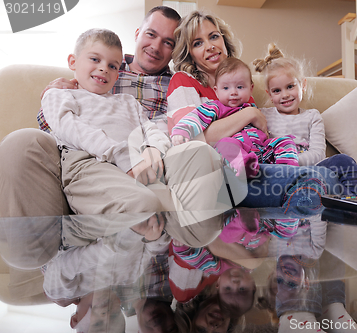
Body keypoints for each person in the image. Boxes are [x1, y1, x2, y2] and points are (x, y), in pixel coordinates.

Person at [0, 6, 232, 221]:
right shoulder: (105, 69)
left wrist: (152, 149)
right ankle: (35, 249)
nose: (156, 46)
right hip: (85, 153)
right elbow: (55, 121)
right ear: (138, 33)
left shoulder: (177, 83)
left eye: (168, 42)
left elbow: (172, 128)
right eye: (151, 34)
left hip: (145, 157)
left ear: (175, 49)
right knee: (21, 141)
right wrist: (54, 94)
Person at [167, 10, 331, 211]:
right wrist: (249, 113)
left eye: (213, 36)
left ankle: (295, 182)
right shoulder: (183, 81)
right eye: (197, 43)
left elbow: (259, 135)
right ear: (189, 53)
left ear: (224, 41)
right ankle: (295, 187)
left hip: (255, 163)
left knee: (294, 150)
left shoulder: (240, 84)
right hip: (213, 173)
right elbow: (194, 140)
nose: (209, 46)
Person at [41, 28, 173, 215]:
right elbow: (69, 128)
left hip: (135, 163)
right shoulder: (60, 94)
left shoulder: (128, 102)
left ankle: (156, 243)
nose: (104, 68)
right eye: (95, 59)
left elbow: (150, 128)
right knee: (142, 207)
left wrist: (153, 148)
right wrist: (122, 156)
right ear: (73, 62)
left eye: (112, 66)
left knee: (167, 209)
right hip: (89, 162)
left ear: (117, 74)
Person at [253, 43, 357, 201]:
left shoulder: (312, 116)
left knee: (343, 160)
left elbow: (318, 154)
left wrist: (289, 161)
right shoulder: (262, 115)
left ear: (303, 85)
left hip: (311, 170)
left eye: (290, 86)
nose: (285, 95)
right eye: (277, 91)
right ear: (269, 94)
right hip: (278, 173)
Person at [171, 57, 299, 178]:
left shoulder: (254, 109)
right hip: (237, 152)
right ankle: (243, 166)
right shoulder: (215, 107)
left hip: (261, 150)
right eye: (226, 88)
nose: (233, 92)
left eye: (239, 87)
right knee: (225, 144)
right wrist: (181, 131)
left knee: (284, 141)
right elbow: (196, 117)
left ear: (251, 88)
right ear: (216, 90)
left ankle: (287, 172)